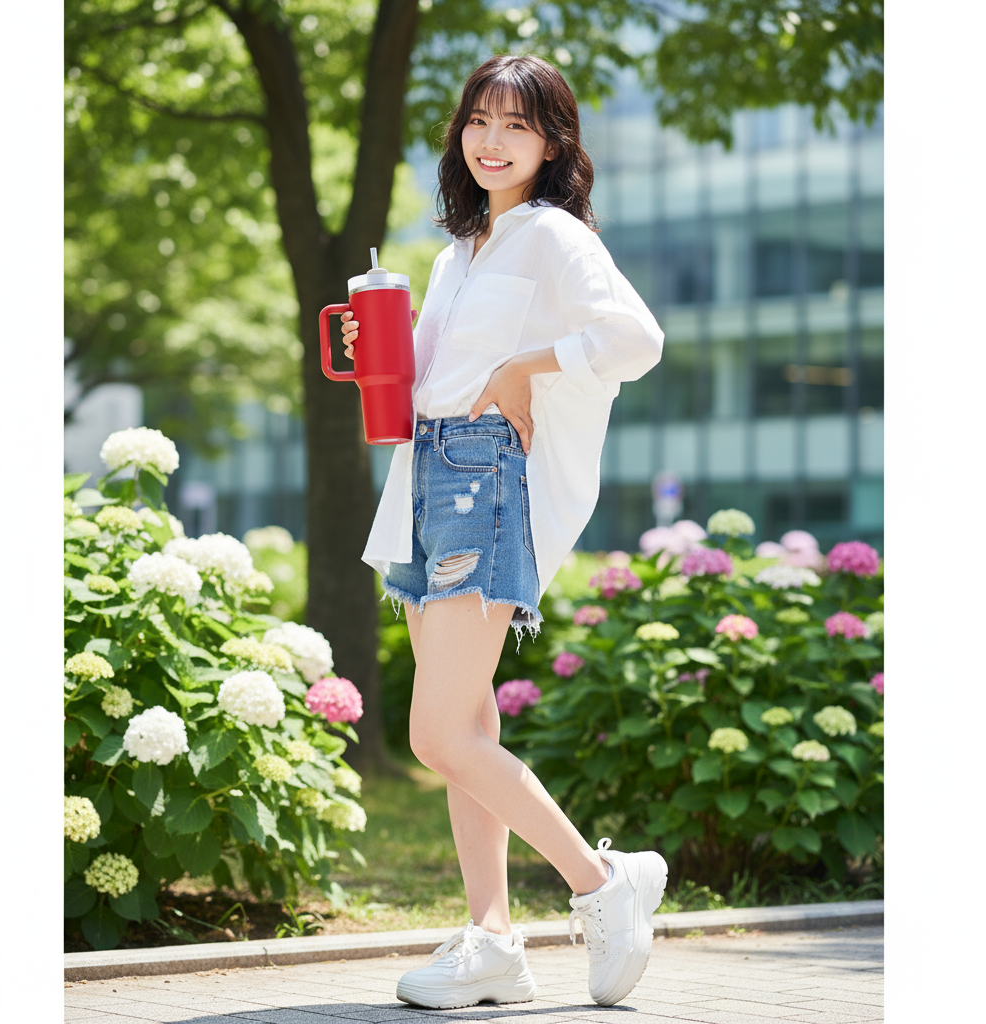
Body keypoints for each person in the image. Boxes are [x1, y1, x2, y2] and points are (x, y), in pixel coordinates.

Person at [340, 54, 666, 1010]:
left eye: (516, 126)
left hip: (485, 478)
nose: (491, 140)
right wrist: (377, 353)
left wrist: (531, 366)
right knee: (470, 720)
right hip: (428, 471)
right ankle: (491, 941)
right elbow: (433, 379)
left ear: (554, 143)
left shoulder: (555, 237)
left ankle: (604, 886)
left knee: (437, 731)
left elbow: (635, 339)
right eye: (478, 121)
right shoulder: (457, 253)